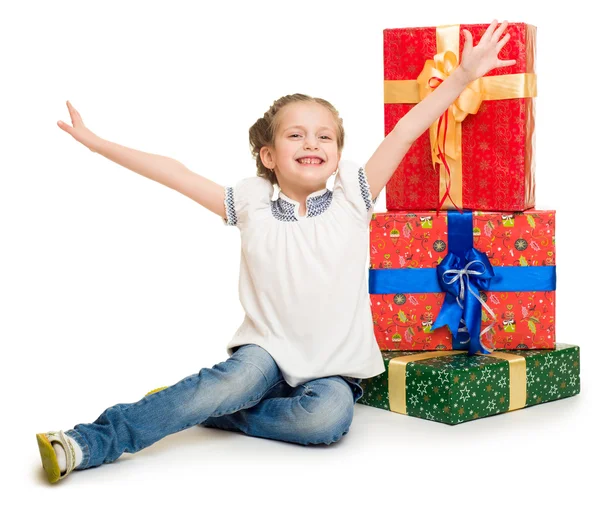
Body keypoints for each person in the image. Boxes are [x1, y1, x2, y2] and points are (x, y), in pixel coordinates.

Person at [37, 20, 515, 483]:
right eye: (295, 135)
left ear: (338, 151)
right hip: (265, 353)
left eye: (324, 135)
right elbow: (175, 172)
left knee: (324, 422)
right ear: (269, 156)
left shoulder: (354, 197)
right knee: (229, 383)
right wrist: (98, 145)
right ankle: (88, 442)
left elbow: (404, 133)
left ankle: (209, 411)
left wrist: (462, 76)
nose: (312, 143)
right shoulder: (251, 205)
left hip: (333, 367)